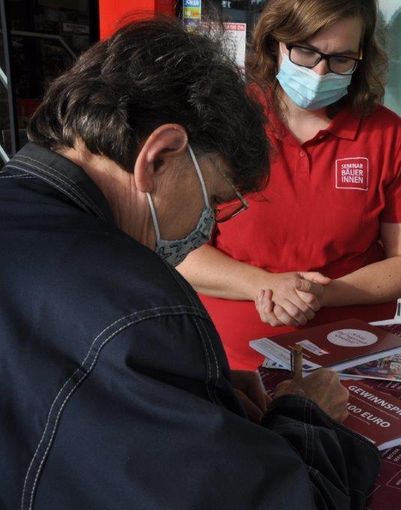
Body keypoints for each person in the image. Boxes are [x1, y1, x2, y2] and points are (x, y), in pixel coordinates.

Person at [0, 18, 378, 509]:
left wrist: (193, 392)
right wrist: (306, 417)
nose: (206, 224)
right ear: (160, 157)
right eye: (216, 198)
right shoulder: (139, 303)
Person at [178, 0, 401, 371]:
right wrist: (265, 286)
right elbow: (181, 251)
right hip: (236, 365)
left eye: (342, 59)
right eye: (305, 52)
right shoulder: (223, 122)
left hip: (354, 363)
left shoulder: (386, 134)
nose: (320, 72)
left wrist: (324, 294)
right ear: (275, 43)